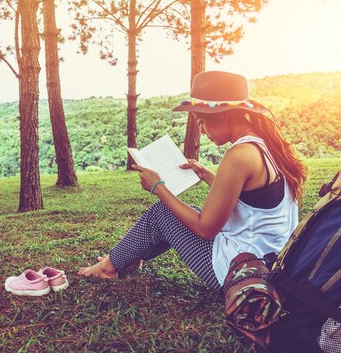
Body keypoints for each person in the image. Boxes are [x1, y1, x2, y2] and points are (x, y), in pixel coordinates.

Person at [78, 71, 307, 290]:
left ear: (225, 114)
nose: (202, 130)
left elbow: (205, 229)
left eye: (201, 122)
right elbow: (253, 201)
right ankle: (126, 257)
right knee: (188, 210)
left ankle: (108, 267)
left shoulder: (239, 155)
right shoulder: (265, 145)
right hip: (274, 264)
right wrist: (208, 175)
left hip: (243, 273)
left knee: (162, 213)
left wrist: (158, 187)